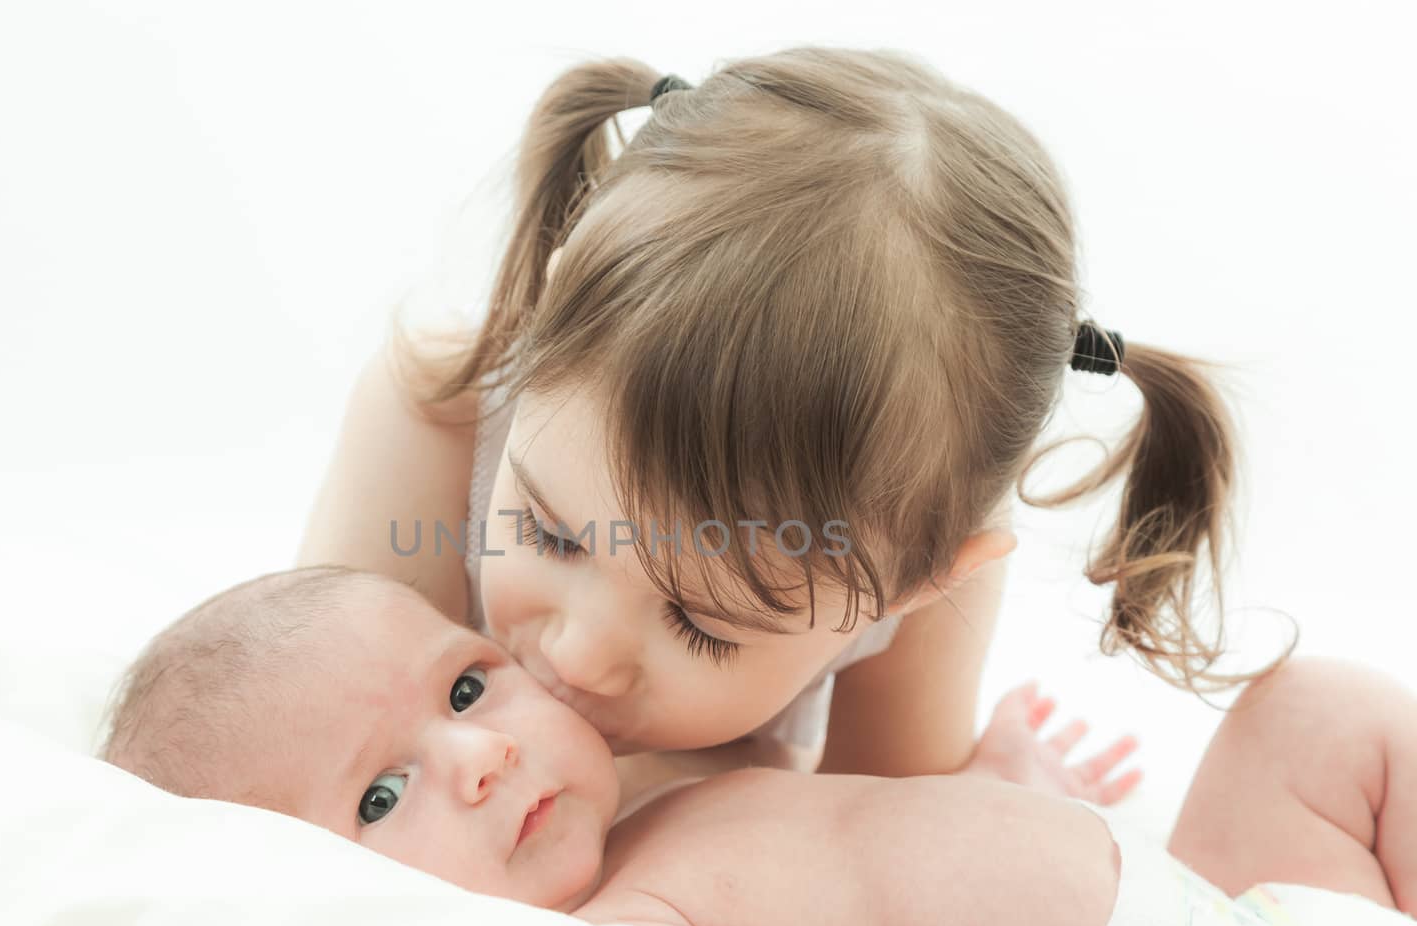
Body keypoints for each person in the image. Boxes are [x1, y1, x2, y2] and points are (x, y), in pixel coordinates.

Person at [297, 45, 1290, 808]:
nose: (585, 654)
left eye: (701, 620)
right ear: (549, 310)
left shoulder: (922, 573)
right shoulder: (438, 411)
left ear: (915, 584)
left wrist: (972, 797)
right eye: (550, 535)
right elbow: (303, 738)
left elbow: (862, 832)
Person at [101, 567, 1417, 926]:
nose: (480, 755)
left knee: (1319, 710)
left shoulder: (670, 783)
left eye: (465, 684)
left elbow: (882, 854)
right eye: (383, 792)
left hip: (1227, 905)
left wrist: (1009, 798)